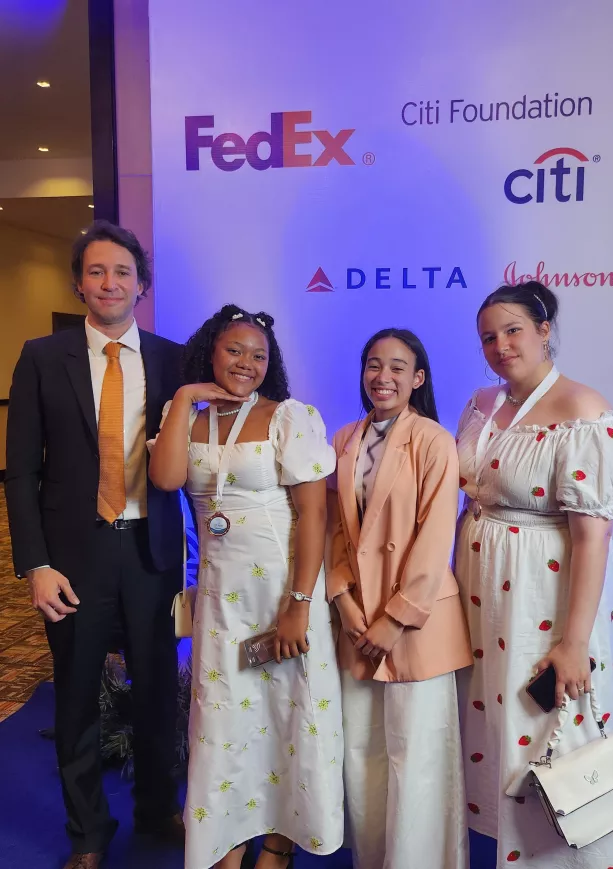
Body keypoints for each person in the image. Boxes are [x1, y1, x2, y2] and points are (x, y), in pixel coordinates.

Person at [5, 221, 185, 869]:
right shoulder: (40, 357)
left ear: (142, 285)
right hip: (72, 560)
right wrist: (35, 563)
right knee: (78, 696)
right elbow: (21, 472)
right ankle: (87, 831)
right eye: (97, 271)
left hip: (151, 553)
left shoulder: (173, 360)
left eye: (123, 272)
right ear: (79, 283)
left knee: (158, 693)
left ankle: (158, 809)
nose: (110, 283)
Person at [149, 304, 344, 869]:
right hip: (220, 599)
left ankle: (279, 846)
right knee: (225, 722)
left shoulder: (289, 416)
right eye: (234, 350)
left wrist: (299, 604)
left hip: (283, 592)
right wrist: (184, 398)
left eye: (259, 355)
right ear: (210, 352)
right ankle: (227, 839)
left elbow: (314, 516)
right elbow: (165, 478)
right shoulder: (186, 415)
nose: (246, 363)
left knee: (289, 713)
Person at [454, 281, 613, 868]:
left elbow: (592, 536)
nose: (500, 346)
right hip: (483, 596)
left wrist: (574, 642)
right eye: (488, 337)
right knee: (498, 732)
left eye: (513, 331)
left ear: (544, 330)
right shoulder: (481, 404)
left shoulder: (584, 410)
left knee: (549, 731)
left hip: (545, 597)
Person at [326, 328, 472, 869]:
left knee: (419, 756)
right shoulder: (343, 438)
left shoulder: (434, 440)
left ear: (418, 378)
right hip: (356, 620)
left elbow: (436, 539)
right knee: (362, 753)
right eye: (373, 364)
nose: (382, 377)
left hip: (417, 623)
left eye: (396, 367)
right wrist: (342, 600)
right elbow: (334, 531)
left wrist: (395, 619)